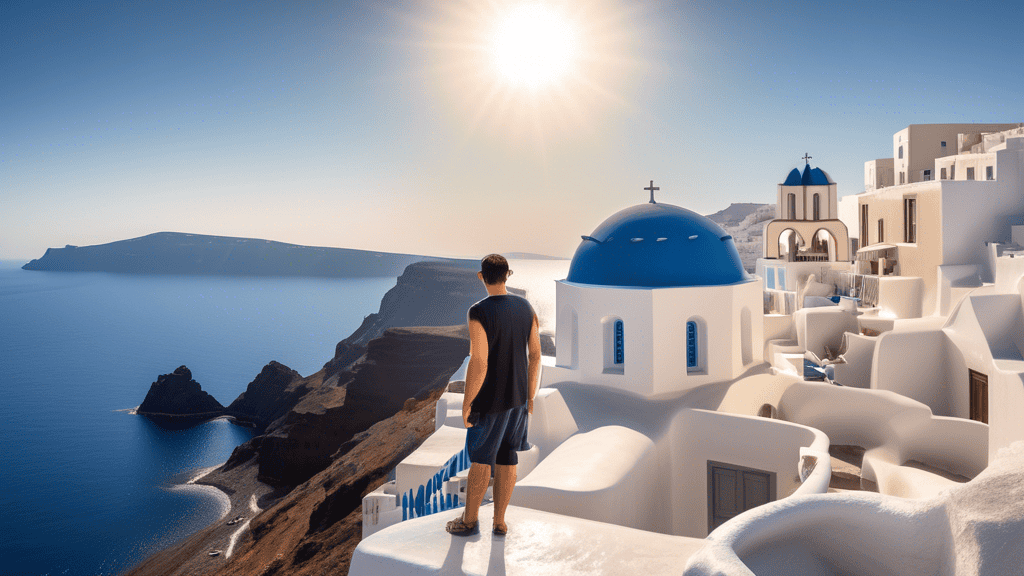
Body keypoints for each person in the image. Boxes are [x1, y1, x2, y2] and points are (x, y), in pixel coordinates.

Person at [445, 254, 541, 537]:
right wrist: (530, 395)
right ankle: (499, 522)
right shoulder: (527, 307)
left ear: (480, 276)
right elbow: (535, 355)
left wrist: (467, 402)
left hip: (491, 401)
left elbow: (479, 361)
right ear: (508, 275)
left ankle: (469, 521)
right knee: (508, 456)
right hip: (518, 399)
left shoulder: (478, 311)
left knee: (480, 460)